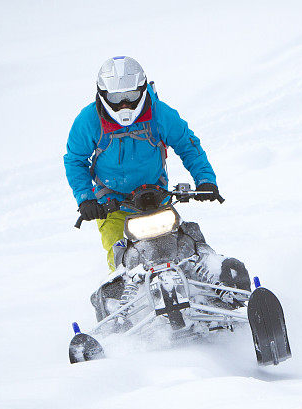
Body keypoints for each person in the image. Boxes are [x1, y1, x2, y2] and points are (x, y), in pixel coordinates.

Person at [64, 56, 220, 270]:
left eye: (131, 95)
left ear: (143, 89)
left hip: (157, 198)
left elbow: (187, 144)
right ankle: (122, 294)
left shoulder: (160, 113)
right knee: (120, 258)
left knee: (184, 246)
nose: (124, 104)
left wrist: (205, 180)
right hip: (111, 205)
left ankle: (211, 274)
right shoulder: (88, 121)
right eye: (116, 97)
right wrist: (86, 199)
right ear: (103, 95)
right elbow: (75, 161)